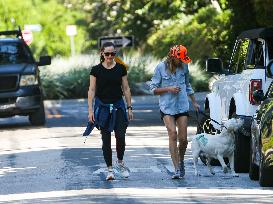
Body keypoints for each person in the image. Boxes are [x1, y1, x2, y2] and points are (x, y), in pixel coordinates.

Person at [149, 44, 200, 179]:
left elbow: (187, 85)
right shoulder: (160, 67)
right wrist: (168, 89)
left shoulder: (184, 66)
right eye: (180, 59)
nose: (182, 61)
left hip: (182, 106)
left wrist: (194, 101)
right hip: (167, 107)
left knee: (183, 140)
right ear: (173, 56)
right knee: (172, 133)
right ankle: (177, 168)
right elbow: (152, 89)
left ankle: (181, 160)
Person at [88, 41, 133, 181]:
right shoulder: (95, 70)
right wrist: (90, 110)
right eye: (107, 53)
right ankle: (109, 169)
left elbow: (126, 88)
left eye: (112, 53)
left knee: (120, 136)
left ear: (115, 54)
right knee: (106, 139)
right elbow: (92, 90)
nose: (109, 56)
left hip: (118, 105)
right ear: (102, 53)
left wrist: (129, 107)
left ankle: (120, 163)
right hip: (102, 107)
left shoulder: (120, 68)